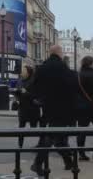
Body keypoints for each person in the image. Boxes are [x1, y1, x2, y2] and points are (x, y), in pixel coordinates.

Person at [31, 45, 77, 176]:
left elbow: (35, 87)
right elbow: (71, 87)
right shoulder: (64, 68)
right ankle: (38, 163)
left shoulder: (42, 68)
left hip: (47, 106)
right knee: (53, 135)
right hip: (63, 106)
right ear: (59, 53)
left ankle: (69, 162)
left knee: (59, 136)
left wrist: (40, 99)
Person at [76, 56, 93, 160]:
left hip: (81, 106)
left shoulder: (78, 74)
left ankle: (81, 153)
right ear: (91, 63)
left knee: (82, 130)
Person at [16, 66, 40, 148]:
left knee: (34, 128)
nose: (21, 72)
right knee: (21, 127)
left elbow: (36, 95)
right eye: (22, 71)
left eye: (23, 71)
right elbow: (18, 92)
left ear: (28, 72)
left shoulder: (33, 81)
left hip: (32, 108)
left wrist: (26, 93)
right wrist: (16, 97)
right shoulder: (19, 81)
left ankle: (43, 143)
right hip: (22, 107)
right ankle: (20, 145)